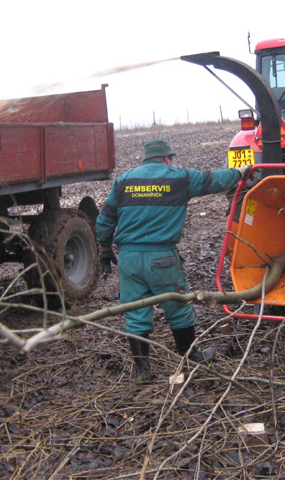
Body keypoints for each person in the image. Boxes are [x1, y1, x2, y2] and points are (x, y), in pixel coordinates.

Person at [95, 139, 250, 382]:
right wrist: (241, 172)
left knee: (135, 312)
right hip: (161, 258)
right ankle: (191, 357)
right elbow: (215, 180)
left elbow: (105, 219)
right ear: (167, 158)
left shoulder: (123, 180)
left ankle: (142, 371)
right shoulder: (179, 177)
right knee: (178, 306)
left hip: (129, 259)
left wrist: (104, 249)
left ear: (146, 158)